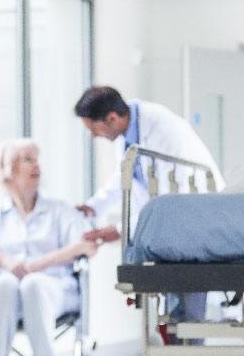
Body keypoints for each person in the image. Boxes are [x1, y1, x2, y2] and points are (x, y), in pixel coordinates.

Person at [73, 85, 221, 329]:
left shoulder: (162, 129)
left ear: (111, 118)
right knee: (174, 310)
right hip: (170, 223)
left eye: (93, 129)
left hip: (191, 218)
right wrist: (93, 207)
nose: (93, 136)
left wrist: (122, 229)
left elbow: (165, 195)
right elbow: (126, 176)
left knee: (187, 308)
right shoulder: (129, 133)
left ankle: (187, 345)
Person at [0, 140, 100, 356]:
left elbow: (87, 244)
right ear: (7, 169)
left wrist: (39, 264)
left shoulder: (59, 211)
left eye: (37, 160)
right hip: (7, 293)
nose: (37, 166)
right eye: (28, 160)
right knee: (3, 283)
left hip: (54, 288)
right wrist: (4, 261)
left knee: (33, 283)